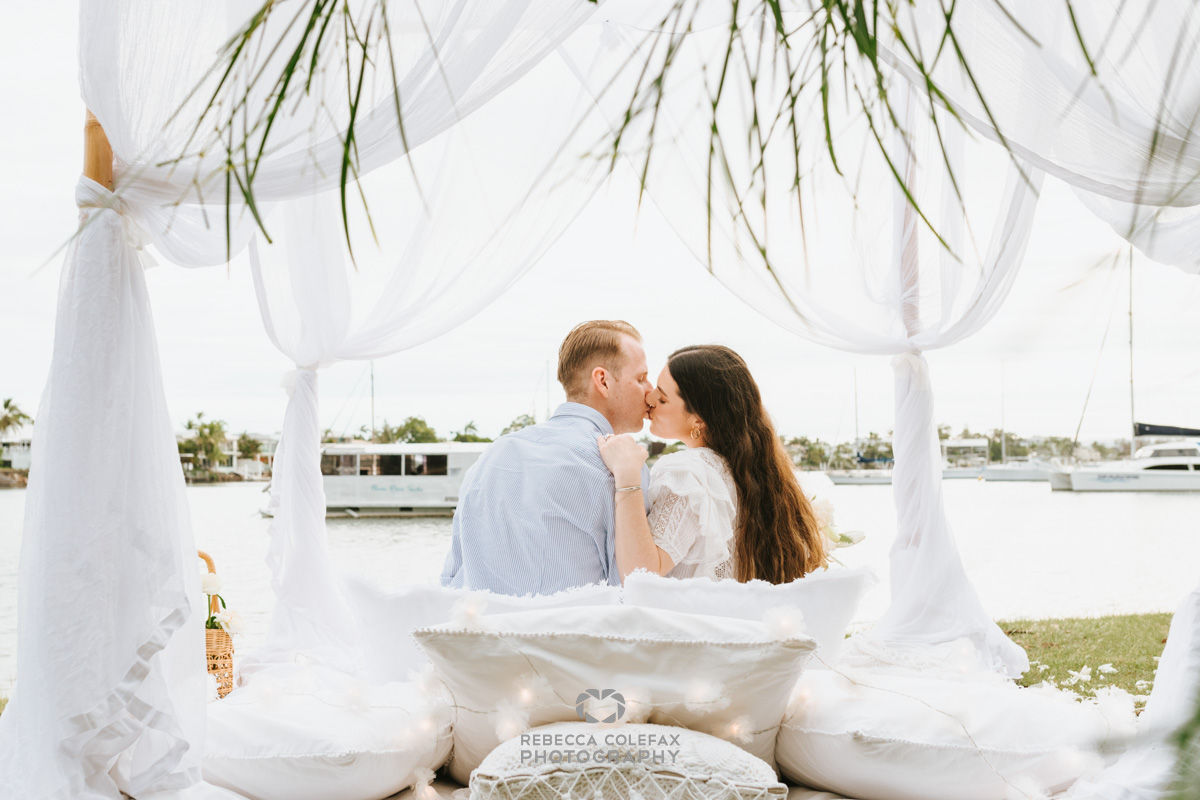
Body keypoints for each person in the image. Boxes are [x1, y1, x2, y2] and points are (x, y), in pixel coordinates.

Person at [439, 320, 654, 595]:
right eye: (640, 378)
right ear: (602, 381)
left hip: (478, 630)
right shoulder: (621, 466)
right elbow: (631, 586)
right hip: (566, 634)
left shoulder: (491, 456)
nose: (650, 390)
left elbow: (453, 575)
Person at [597, 344, 827, 583]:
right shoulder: (750, 473)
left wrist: (627, 475)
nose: (650, 398)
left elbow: (640, 572)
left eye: (663, 398)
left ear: (699, 420)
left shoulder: (689, 473)